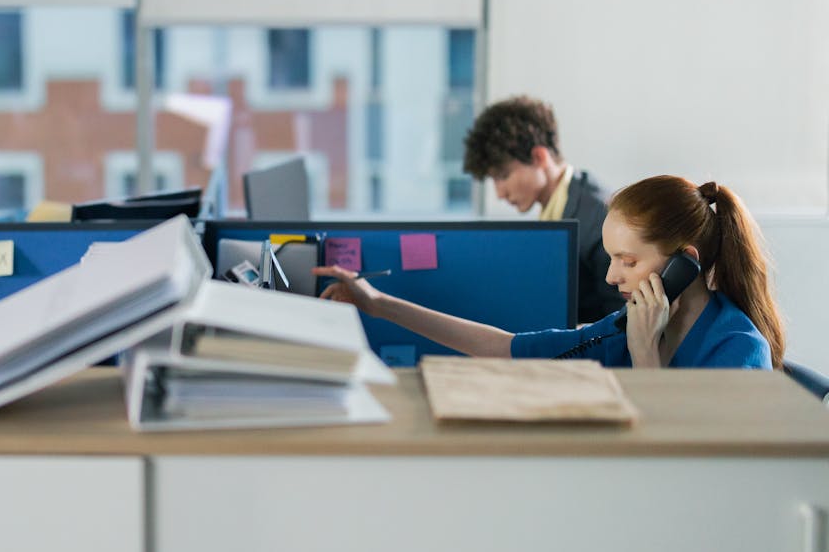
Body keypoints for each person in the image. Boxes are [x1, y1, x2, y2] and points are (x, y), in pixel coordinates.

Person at [315, 176, 783, 369]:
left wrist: (645, 357)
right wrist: (378, 304)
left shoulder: (738, 351)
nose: (610, 278)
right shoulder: (628, 325)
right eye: (611, 256)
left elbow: (685, 468)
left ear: (686, 262)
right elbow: (502, 347)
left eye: (629, 261)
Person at [462, 95, 623, 323]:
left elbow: (621, 321)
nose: (499, 193)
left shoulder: (599, 217)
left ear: (539, 157)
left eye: (503, 176)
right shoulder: (555, 210)